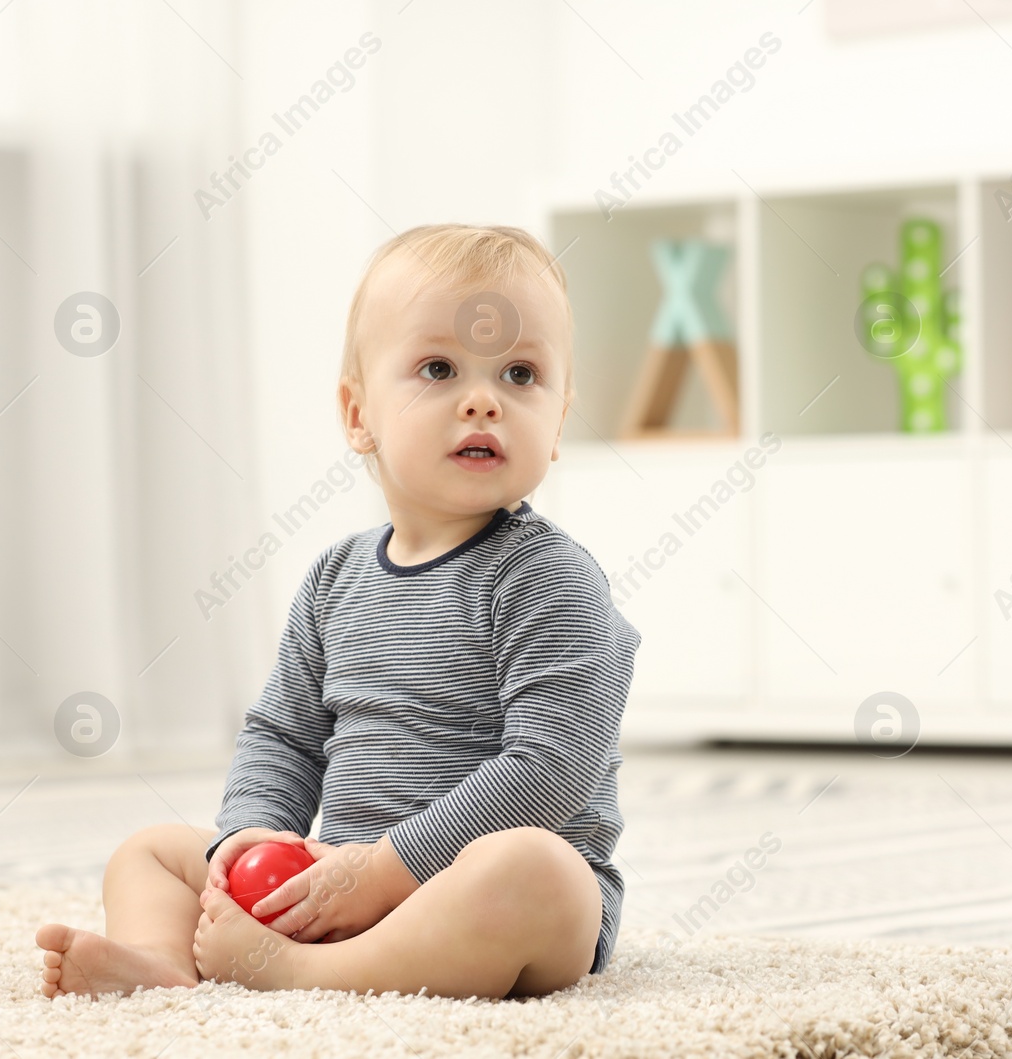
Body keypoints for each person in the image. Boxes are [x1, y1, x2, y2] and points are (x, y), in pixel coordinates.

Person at [36, 224, 641, 1000]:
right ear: (359, 416)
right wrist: (252, 833)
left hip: (478, 891)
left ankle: (308, 971)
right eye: (438, 368)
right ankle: (161, 964)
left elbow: (549, 769)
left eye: (522, 374)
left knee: (538, 868)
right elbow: (283, 733)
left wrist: (387, 869)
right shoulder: (335, 578)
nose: (485, 398)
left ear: (557, 421)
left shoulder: (550, 579)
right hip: (341, 875)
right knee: (151, 851)